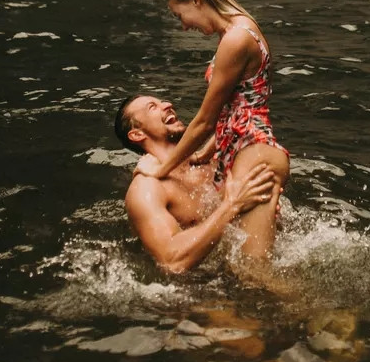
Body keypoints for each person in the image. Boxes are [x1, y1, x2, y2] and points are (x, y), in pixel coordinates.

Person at [134, 0, 290, 260]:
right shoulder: (239, 29)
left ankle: (335, 309)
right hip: (248, 150)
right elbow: (240, 108)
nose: (183, 26)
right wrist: (205, 154)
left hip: (254, 154)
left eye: (179, 15)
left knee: (255, 275)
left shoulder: (235, 39)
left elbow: (205, 121)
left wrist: (161, 169)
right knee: (241, 266)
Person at [114, 93, 278, 273]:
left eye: (162, 101)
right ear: (137, 134)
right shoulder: (146, 188)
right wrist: (232, 206)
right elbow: (172, 260)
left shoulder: (212, 164)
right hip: (195, 289)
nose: (168, 104)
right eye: (152, 107)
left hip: (240, 270)